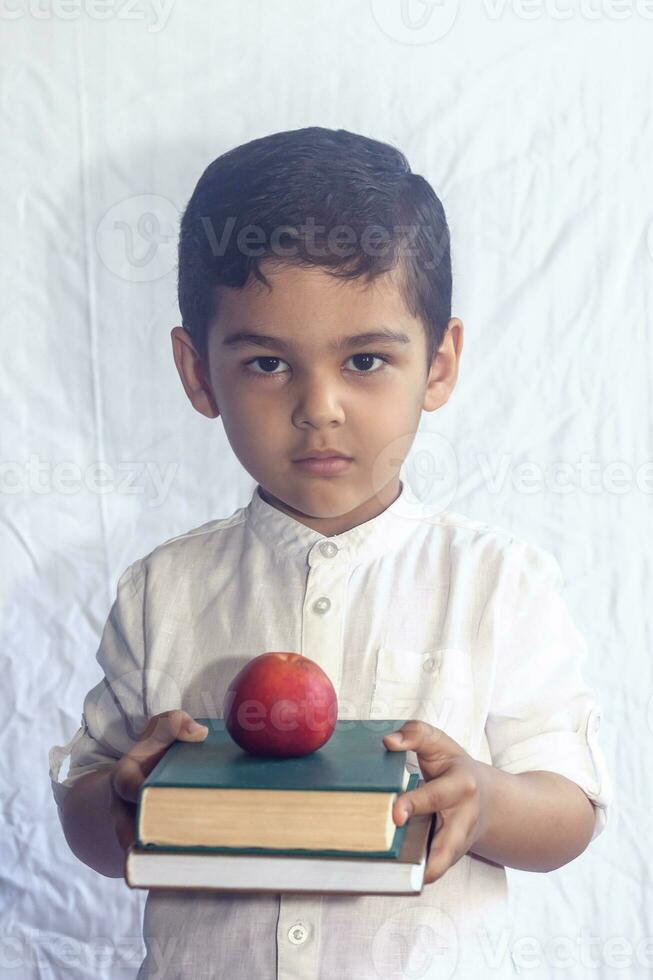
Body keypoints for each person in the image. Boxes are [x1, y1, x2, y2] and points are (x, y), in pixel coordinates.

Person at [48, 126, 612, 979]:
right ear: (198, 372)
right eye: (268, 362)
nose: (321, 408)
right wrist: (122, 796)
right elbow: (89, 812)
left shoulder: (498, 584)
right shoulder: (161, 590)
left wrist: (488, 798)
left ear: (438, 363)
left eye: (366, 360)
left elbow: (568, 811)